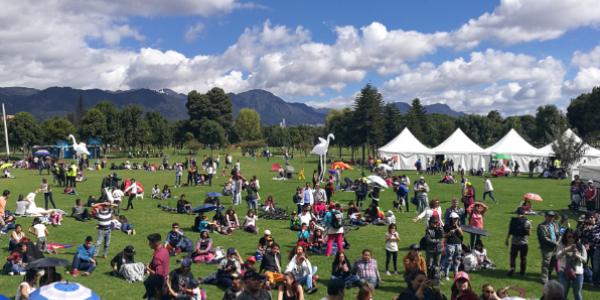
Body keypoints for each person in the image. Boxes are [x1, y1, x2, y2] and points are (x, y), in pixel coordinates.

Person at [556, 228, 586, 300]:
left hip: (578, 272)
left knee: (577, 293)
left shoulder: (581, 246)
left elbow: (585, 260)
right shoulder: (562, 245)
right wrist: (566, 250)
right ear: (565, 237)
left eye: (573, 237)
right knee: (563, 292)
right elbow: (557, 256)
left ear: (576, 237)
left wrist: (576, 255)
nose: (571, 239)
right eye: (569, 237)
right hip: (564, 271)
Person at [505, 206, 531, 277]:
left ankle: (512, 267)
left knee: (513, 256)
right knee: (523, 257)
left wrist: (507, 239)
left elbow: (509, 231)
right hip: (524, 242)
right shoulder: (527, 222)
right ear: (524, 213)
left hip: (514, 242)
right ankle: (522, 272)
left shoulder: (512, 221)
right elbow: (529, 234)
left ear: (516, 213)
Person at [537, 210, 560, 283]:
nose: (551, 218)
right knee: (546, 263)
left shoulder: (555, 225)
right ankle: (544, 279)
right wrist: (554, 243)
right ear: (545, 217)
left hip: (555, 248)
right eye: (549, 216)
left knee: (552, 263)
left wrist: (558, 242)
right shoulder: (541, 226)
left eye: (552, 216)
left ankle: (549, 276)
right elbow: (544, 237)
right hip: (547, 248)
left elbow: (559, 234)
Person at [444, 212, 463, 281]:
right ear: (451, 219)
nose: (456, 220)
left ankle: (456, 275)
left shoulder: (459, 225)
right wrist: (449, 233)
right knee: (448, 260)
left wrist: (457, 227)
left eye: (457, 219)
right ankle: (446, 274)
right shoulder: (447, 226)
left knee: (457, 260)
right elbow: (444, 235)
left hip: (458, 244)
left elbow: (461, 234)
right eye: (455, 219)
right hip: (450, 244)